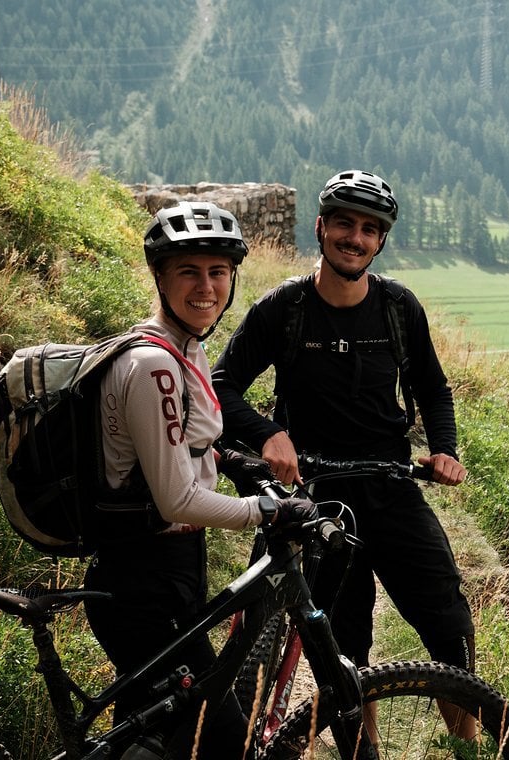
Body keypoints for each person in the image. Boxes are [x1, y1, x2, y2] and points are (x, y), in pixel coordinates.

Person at [211, 169, 478, 739]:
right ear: (321, 228)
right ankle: (362, 751)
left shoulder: (398, 309)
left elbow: (431, 386)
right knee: (344, 646)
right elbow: (221, 384)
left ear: (381, 241)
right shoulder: (284, 309)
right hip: (317, 499)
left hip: (392, 485)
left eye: (369, 229)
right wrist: (266, 434)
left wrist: (445, 450)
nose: (355, 238)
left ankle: (470, 746)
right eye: (344, 224)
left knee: (450, 626)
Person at [83, 201, 317, 759]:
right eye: (189, 271)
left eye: (218, 272)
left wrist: (243, 467)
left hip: (169, 577)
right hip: (141, 582)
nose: (206, 286)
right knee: (221, 741)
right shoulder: (154, 365)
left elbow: (189, 447)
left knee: (154, 736)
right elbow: (177, 498)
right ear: (160, 277)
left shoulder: (188, 347)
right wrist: (268, 513)